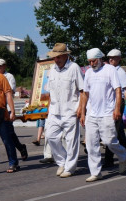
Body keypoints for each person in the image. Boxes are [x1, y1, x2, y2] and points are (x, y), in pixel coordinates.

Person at [80, 48, 126, 182]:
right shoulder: (88, 73)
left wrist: (117, 109)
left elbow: (118, 90)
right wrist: (83, 113)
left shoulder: (110, 70)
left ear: (100, 58)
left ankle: (122, 155)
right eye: (89, 61)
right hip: (92, 114)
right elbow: (85, 94)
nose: (92, 63)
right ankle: (96, 172)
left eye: (94, 60)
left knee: (109, 141)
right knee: (91, 144)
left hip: (107, 112)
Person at [44, 43, 84, 178]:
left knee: (71, 141)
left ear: (66, 55)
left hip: (70, 110)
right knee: (50, 136)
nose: (56, 60)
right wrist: (49, 110)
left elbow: (82, 90)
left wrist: (81, 109)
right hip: (55, 111)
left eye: (59, 57)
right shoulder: (52, 70)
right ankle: (62, 161)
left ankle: (70, 168)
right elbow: (50, 92)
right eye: (54, 57)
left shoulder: (74, 68)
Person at [0, 58, 28, 164]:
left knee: (8, 133)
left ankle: (20, 147)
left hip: (6, 109)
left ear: (5, 66)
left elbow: (9, 92)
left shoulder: (9, 77)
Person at [104, 49, 126, 168]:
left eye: (113, 57)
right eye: (109, 57)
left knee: (111, 130)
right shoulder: (107, 70)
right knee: (117, 131)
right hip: (108, 104)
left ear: (119, 59)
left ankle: (108, 160)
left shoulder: (120, 72)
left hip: (118, 103)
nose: (111, 59)